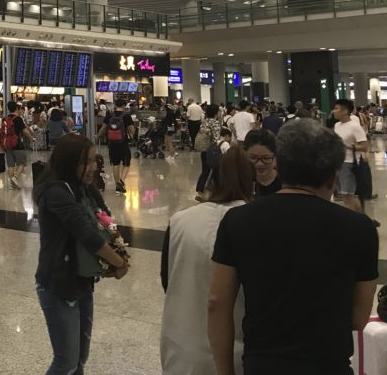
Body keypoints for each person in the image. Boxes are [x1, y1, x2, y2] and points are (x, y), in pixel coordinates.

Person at [208, 120, 378, 375]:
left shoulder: (238, 220)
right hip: (328, 365)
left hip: (262, 365)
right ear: (333, 177)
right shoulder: (359, 228)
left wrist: (224, 372)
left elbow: (217, 302)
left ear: (278, 165)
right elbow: (358, 318)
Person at [34, 135, 129, 375]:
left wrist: (119, 250)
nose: (93, 167)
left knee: (79, 359)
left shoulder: (86, 189)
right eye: (86, 162)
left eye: (94, 160)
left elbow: (105, 219)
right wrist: (118, 263)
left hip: (82, 281)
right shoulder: (56, 192)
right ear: (69, 163)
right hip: (58, 284)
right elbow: (86, 234)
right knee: (66, 361)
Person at [161, 146, 255, 374]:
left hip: (183, 344)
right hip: (238, 348)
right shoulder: (255, 223)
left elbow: (167, 278)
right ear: (251, 183)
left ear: (213, 179)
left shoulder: (180, 220)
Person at [332, 98, 368, 212]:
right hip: (338, 162)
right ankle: (360, 217)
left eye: (336, 109)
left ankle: (353, 219)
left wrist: (348, 147)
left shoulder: (355, 126)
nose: (333, 111)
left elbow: (365, 146)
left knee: (348, 195)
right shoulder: (337, 125)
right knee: (345, 195)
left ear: (345, 111)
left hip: (349, 163)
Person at [98, 99, 133, 194]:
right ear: (124, 106)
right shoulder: (126, 116)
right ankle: (121, 180)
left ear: (115, 105)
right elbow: (132, 130)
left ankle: (117, 186)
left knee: (115, 164)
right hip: (123, 143)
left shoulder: (109, 115)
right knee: (126, 163)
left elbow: (103, 128)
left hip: (112, 143)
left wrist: (98, 136)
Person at [194, 104, 225, 201]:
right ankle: (216, 192)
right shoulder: (215, 123)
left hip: (204, 149)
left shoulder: (204, 121)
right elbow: (216, 138)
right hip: (212, 151)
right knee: (217, 170)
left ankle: (199, 192)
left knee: (205, 171)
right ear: (216, 112)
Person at [2, 100, 33, 189]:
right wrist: (31, 138)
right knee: (22, 163)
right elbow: (25, 131)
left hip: (7, 144)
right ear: (16, 108)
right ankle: (15, 178)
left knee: (10, 165)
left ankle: (12, 185)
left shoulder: (5, 118)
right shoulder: (18, 119)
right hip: (17, 144)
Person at [242, 129, 280, 196]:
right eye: (253, 158)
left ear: (275, 156)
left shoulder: (284, 184)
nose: (259, 164)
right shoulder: (240, 182)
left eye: (266, 158)